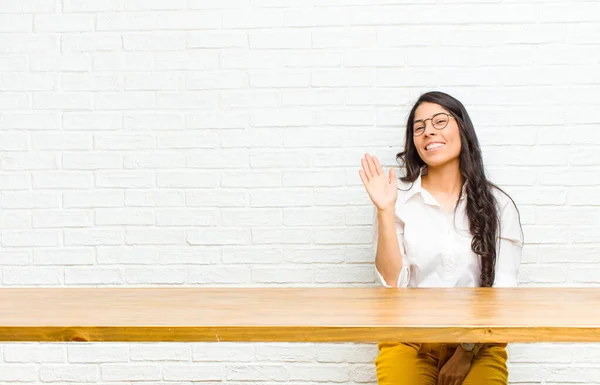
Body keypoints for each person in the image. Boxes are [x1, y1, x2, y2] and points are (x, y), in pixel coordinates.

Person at [358, 91, 524, 385]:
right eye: (419, 127)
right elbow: (392, 283)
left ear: (462, 129)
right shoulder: (396, 198)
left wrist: (466, 351)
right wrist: (385, 210)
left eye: (439, 121)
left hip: (478, 344)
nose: (428, 131)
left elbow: (503, 292)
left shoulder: (498, 204)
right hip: (409, 340)